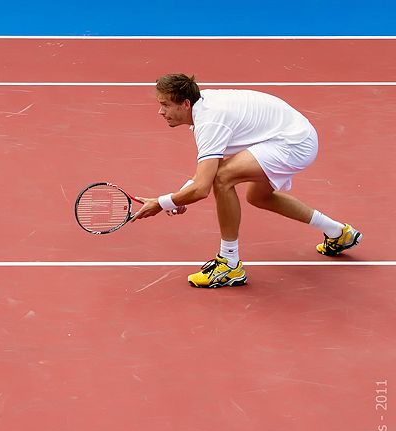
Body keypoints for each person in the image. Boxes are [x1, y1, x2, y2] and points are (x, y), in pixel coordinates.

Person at [130, 73, 362, 288]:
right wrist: (181, 195)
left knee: (223, 179)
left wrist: (162, 203)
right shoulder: (203, 109)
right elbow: (205, 173)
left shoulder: (210, 122)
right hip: (288, 133)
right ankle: (338, 232)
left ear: (185, 104)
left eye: (165, 105)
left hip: (293, 142)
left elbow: (202, 187)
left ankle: (229, 264)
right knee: (258, 197)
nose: (160, 112)